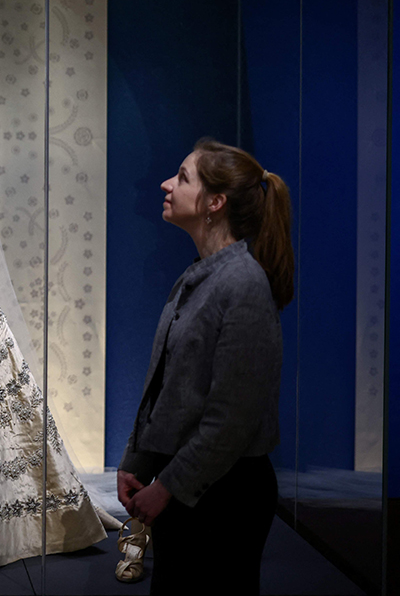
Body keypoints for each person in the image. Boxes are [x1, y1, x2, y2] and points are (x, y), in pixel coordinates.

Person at [117, 138, 293, 595]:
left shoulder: (243, 285)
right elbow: (169, 386)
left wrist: (166, 487)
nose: (166, 184)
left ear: (215, 203)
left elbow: (231, 419)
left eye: (182, 177)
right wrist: (138, 461)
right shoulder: (200, 276)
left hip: (225, 497)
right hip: (191, 487)